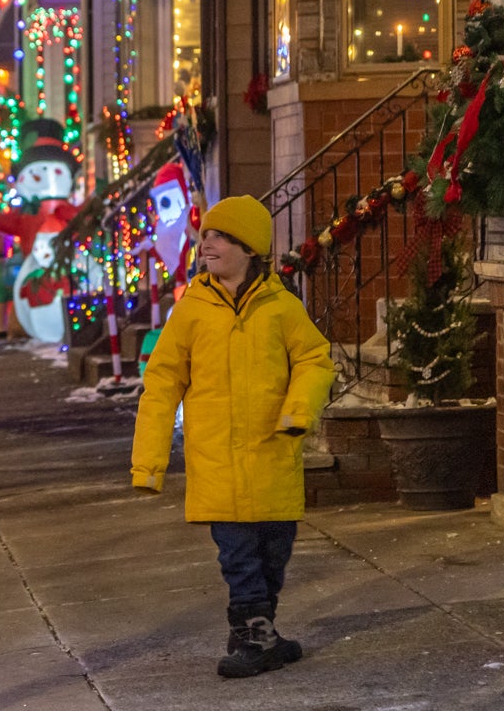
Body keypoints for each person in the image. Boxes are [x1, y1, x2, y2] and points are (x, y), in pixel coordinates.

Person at [130, 194, 336, 679]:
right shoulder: (192, 310)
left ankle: (262, 630)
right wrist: (148, 464)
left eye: (219, 237)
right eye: (204, 237)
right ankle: (252, 636)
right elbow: (161, 384)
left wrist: (298, 411)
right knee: (239, 558)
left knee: (273, 556)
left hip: (272, 456)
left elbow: (314, 359)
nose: (207, 245)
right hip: (217, 462)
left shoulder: (281, 306)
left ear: (249, 248)